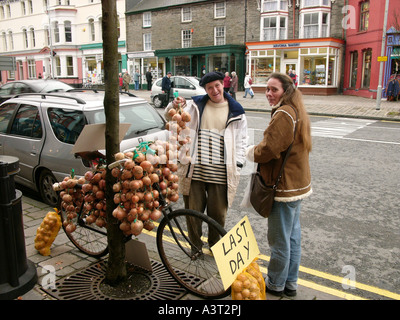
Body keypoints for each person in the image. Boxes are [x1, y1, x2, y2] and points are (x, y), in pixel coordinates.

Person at [246, 72, 312, 297]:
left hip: (284, 188)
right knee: (293, 238)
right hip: (297, 185)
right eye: (267, 89)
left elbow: (269, 150)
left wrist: (250, 152)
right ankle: (290, 283)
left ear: (286, 91)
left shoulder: (284, 113)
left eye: (274, 89)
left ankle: (275, 284)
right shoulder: (296, 110)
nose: (269, 94)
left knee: (279, 241)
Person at [165, 71, 248, 250]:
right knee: (193, 213)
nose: (214, 90)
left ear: (222, 85)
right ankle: (195, 246)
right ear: (205, 90)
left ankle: (216, 246)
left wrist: (239, 163)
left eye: (217, 85)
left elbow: (242, 140)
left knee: (218, 215)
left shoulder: (237, 111)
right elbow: (172, 117)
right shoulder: (195, 105)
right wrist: (174, 105)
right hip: (195, 170)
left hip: (221, 172)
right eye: (210, 88)